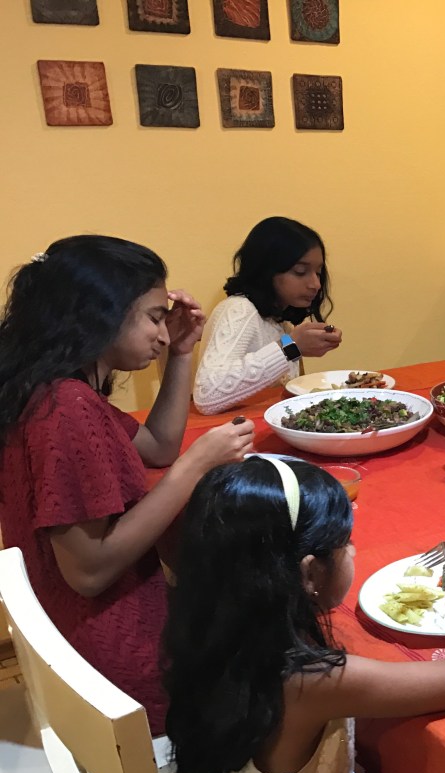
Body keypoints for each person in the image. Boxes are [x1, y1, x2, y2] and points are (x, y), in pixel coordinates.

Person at [161, 457, 445, 773]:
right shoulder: (312, 679)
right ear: (309, 573)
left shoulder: (207, 628)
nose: (353, 551)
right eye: (345, 543)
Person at [0, 236, 255, 734]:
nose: (162, 333)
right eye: (154, 318)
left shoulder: (50, 386)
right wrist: (195, 466)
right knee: (267, 645)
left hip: (72, 640)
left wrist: (181, 354)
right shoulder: (65, 408)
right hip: (116, 666)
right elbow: (89, 572)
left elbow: (157, 446)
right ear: (100, 314)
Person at [194, 216, 343, 414]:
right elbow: (206, 394)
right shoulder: (239, 309)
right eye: (300, 271)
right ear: (266, 270)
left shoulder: (279, 321)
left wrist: (299, 345)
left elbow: (283, 361)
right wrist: (291, 347)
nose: (315, 284)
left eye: (318, 272)